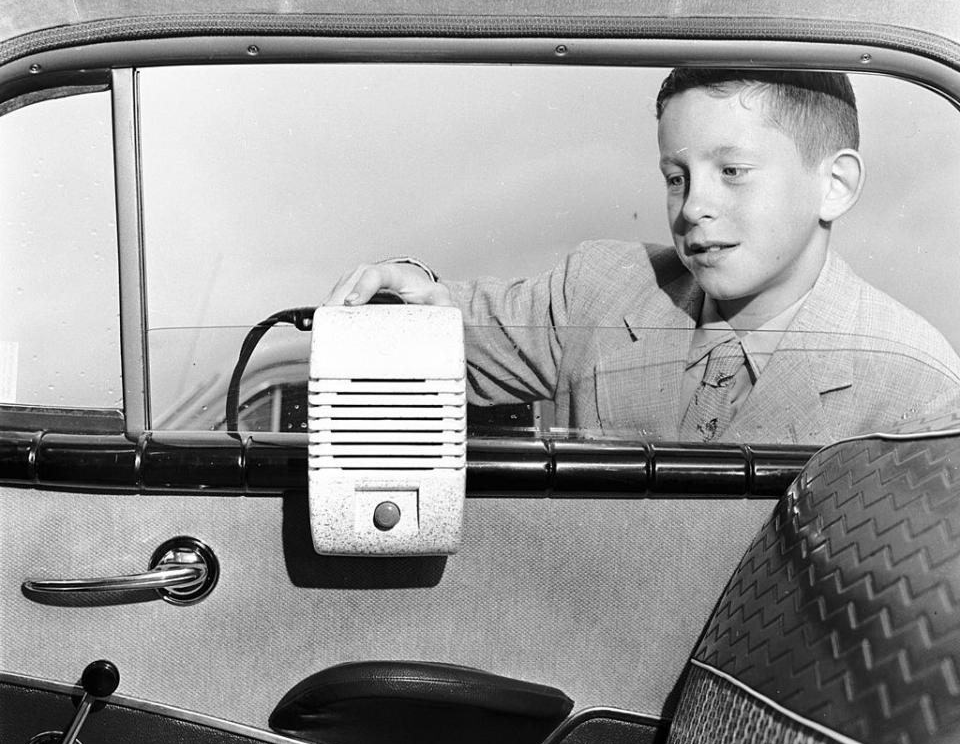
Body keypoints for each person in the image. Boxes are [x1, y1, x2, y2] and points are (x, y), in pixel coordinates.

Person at [324, 69, 960, 444]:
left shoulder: (917, 389)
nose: (693, 208)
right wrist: (403, 287)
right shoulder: (603, 287)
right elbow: (448, 328)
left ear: (836, 185)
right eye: (675, 176)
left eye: (733, 171)